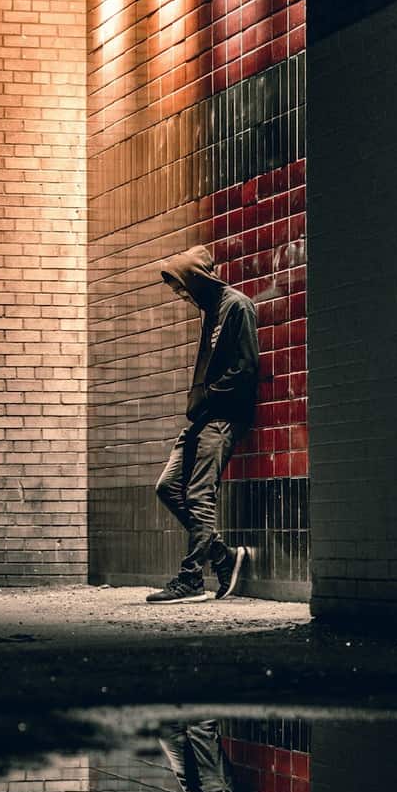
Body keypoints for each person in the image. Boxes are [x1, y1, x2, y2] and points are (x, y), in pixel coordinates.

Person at [146, 245, 258, 604]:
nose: (179, 294)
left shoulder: (236, 306)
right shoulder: (209, 311)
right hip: (202, 417)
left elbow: (245, 368)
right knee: (168, 487)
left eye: (181, 286)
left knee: (198, 494)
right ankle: (223, 557)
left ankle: (192, 578)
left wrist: (209, 397)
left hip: (223, 418)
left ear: (197, 279)